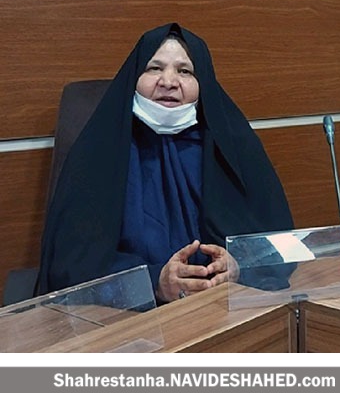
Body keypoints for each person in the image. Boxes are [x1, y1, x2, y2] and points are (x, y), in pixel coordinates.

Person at [36, 23, 295, 303]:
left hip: (226, 306)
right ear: (134, 78)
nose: (168, 82)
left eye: (184, 71)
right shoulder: (99, 151)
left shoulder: (234, 146)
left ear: (203, 83)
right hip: (131, 317)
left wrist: (240, 266)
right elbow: (71, 267)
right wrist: (154, 283)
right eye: (154, 68)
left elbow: (282, 246)